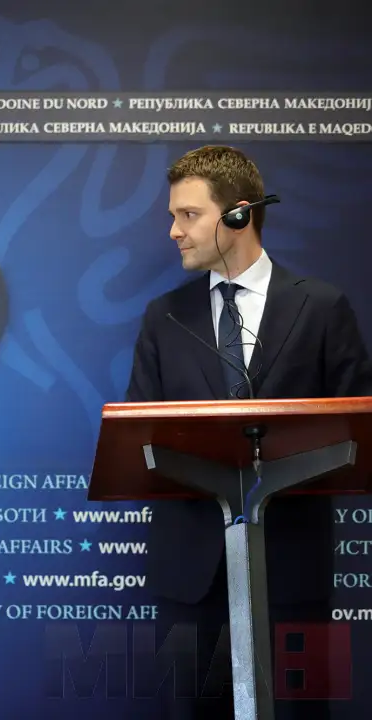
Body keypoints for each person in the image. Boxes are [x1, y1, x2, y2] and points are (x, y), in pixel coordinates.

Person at [125, 145, 372, 719]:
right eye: (174, 216)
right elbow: (137, 436)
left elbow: (359, 432)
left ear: (238, 215)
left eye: (188, 215)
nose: (174, 231)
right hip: (190, 573)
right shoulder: (164, 316)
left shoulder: (321, 307)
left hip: (291, 567)